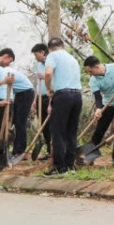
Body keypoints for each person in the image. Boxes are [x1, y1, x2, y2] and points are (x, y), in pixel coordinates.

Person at [42, 37, 83, 176]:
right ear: (63, 46)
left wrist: (48, 89)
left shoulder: (52, 56)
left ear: (49, 49)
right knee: (71, 132)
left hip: (63, 95)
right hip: (77, 95)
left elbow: (48, 73)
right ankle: (70, 165)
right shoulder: (72, 58)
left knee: (57, 132)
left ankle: (60, 167)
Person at [84, 56, 114, 165]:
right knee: (99, 131)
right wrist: (98, 109)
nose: (91, 74)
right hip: (108, 104)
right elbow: (98, 97)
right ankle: (89, 158)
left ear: (97, 67)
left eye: (91, 71)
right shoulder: (93, 80)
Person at [0, 49, 35, 158]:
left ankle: (20, 149)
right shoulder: (0, 70)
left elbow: (3, 87)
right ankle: (15, 147)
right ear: (6, 57)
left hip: (26, 93)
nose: (10, 63)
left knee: (20, 123)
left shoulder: (6, 71)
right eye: (10, 60)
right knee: (15, 122)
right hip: (18, 94)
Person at [30, 43, 50, 161]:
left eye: (36, 54)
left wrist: (46, 77)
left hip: (51, 97)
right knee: (43, 126)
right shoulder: (38, 65)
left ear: (43, 52)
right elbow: (38, 83)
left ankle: (54, 151)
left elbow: (57, 79)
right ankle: (48, 151)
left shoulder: (51, 63)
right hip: (40, 98)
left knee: (52, 125)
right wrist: (34, 99)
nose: (35, 57)